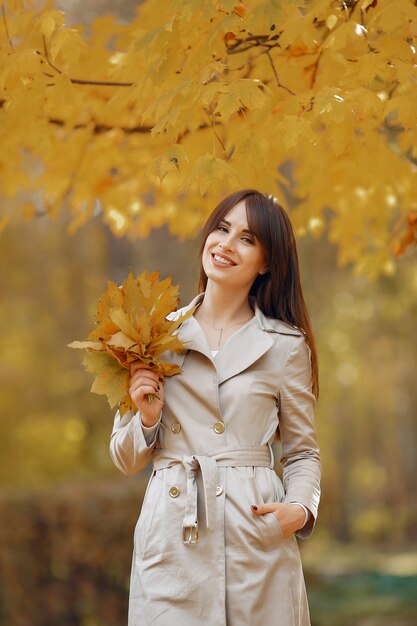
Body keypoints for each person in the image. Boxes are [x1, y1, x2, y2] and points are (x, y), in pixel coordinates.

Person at [110, 189, 321, 626]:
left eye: (247, 238)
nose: (225, 244)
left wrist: (298, 510)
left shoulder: (285, 345)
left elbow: (302, 452)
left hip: (255, 531)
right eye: (222, 229)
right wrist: (147, 419)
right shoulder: (153, 336)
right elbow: (126, 459)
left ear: (266, 261)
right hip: (173, 533)